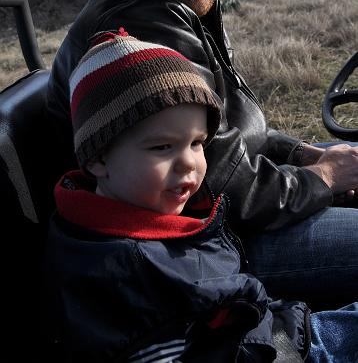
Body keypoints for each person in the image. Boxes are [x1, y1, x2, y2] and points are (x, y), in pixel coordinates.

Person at [46, 0, 358, 306]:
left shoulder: (176, 4)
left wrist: (306, 155)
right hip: (193, 245)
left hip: (217, 224)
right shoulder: (139, 23)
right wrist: (325, 176)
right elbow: (224, 188)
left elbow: (229, 129)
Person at [44, 29, 358, 363]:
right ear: (98, 158)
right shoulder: (126, 277)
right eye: (162, 147)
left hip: (272, 331)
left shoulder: (142, 212)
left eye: (197, 143)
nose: (190, 163)